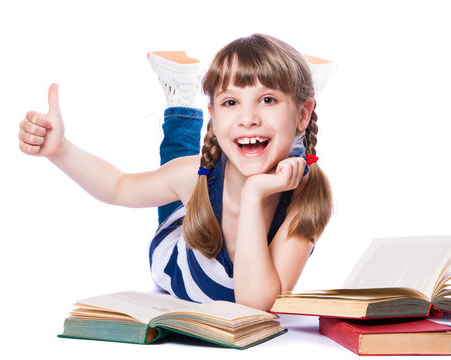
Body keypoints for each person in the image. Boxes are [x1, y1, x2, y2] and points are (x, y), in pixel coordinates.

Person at [18, 34, 333, 310]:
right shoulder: (195, 178)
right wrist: (60, 150)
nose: (247, 117)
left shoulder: (307, 199)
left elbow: (255, 304)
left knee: (268, 144)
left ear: (305, 113)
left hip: (270, 156)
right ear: (213, 114)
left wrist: (254, 195)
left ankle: (294, 100)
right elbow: (118, 187)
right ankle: (183, 99)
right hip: (179, 243)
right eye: (231, 102)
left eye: (267, 99)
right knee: (183, 162)